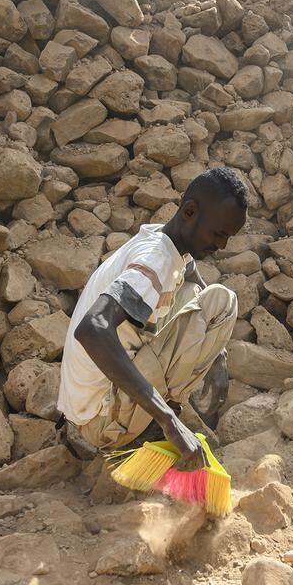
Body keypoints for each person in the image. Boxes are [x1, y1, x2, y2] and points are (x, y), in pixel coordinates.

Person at [57, 167, 248, 472]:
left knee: (205, 295)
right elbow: (93, 329)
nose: (222, 246)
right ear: (190, 211)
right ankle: (156, 422)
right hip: (103, 421)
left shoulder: (166, 240)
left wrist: (217, 352)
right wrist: (169, 421)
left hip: (85, 407)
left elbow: (191, 276)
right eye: (218, 234)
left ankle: (153, 411)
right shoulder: (155, 262)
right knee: (223, 303)